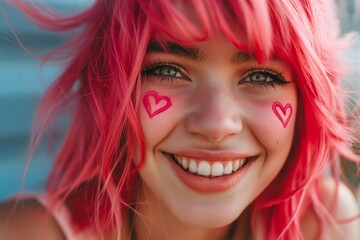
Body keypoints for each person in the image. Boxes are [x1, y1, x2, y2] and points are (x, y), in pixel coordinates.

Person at [1, 0, 360, 239]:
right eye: (168, 70)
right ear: (109, 88)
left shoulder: (325, 225)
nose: (216, 125)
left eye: (262, 77)